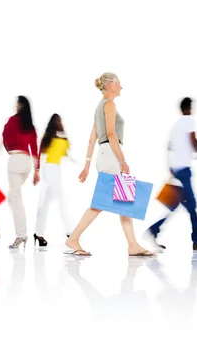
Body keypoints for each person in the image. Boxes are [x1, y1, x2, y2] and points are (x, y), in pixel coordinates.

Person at [64, 72, 155, 257]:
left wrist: (87, 165)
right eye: (119, 83)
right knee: (100, 204)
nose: (121, 86)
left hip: (104, 155)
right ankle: (73, 238)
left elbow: (92, 139)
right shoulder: (110, 104)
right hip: (111, 156)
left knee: (125, 202)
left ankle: (133, 245)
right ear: (111, 85)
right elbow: (112, 134)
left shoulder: (99, 107)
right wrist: (122, 160)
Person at [146, 97, 197, 251]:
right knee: (192, 205)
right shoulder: (188, 121)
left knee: (178, 205)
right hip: (184, 169)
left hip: (176, 169)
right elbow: (193, 139)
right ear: (188, 108)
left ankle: (155, 230)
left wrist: (170, 168)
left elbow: (169, 147)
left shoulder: (175, 126)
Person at [0, 96, 40, 249]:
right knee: (13, 197)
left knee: (16, 199)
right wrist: (37, 170)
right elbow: (34, 147)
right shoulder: (30, 125)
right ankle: (21, 234)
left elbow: (5, 139)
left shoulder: (12, 121)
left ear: (20, 105)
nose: (16, 105)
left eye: (17, 103)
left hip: (15, 160)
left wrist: (10, 148)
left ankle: (21, 235)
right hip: (27, 163)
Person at [33, 113, 75, 246]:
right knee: (61, 199)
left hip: (53, 170)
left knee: (45, 203)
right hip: (50, 171)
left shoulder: (55, 139)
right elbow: (40, 154)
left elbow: (66, 151)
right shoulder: (55, 140)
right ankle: (70, 231)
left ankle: (38, 233)